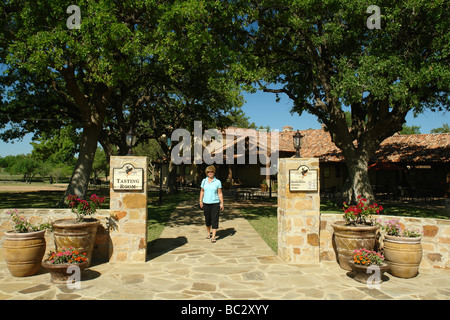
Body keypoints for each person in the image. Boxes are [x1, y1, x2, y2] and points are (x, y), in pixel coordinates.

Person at [199, 165, 224, 243]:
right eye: (208, 172)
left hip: (215, 203)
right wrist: (200, 201)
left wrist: (222, 203)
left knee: (215, 220)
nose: (210, 173)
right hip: (206, 203)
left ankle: (213, 236)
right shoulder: (204, 181)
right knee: (207, 220)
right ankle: (208, 233)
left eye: (211, 172)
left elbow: (220, 193)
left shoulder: (217, 182)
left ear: (214, 172)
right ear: (206, 173)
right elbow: (202, 191)